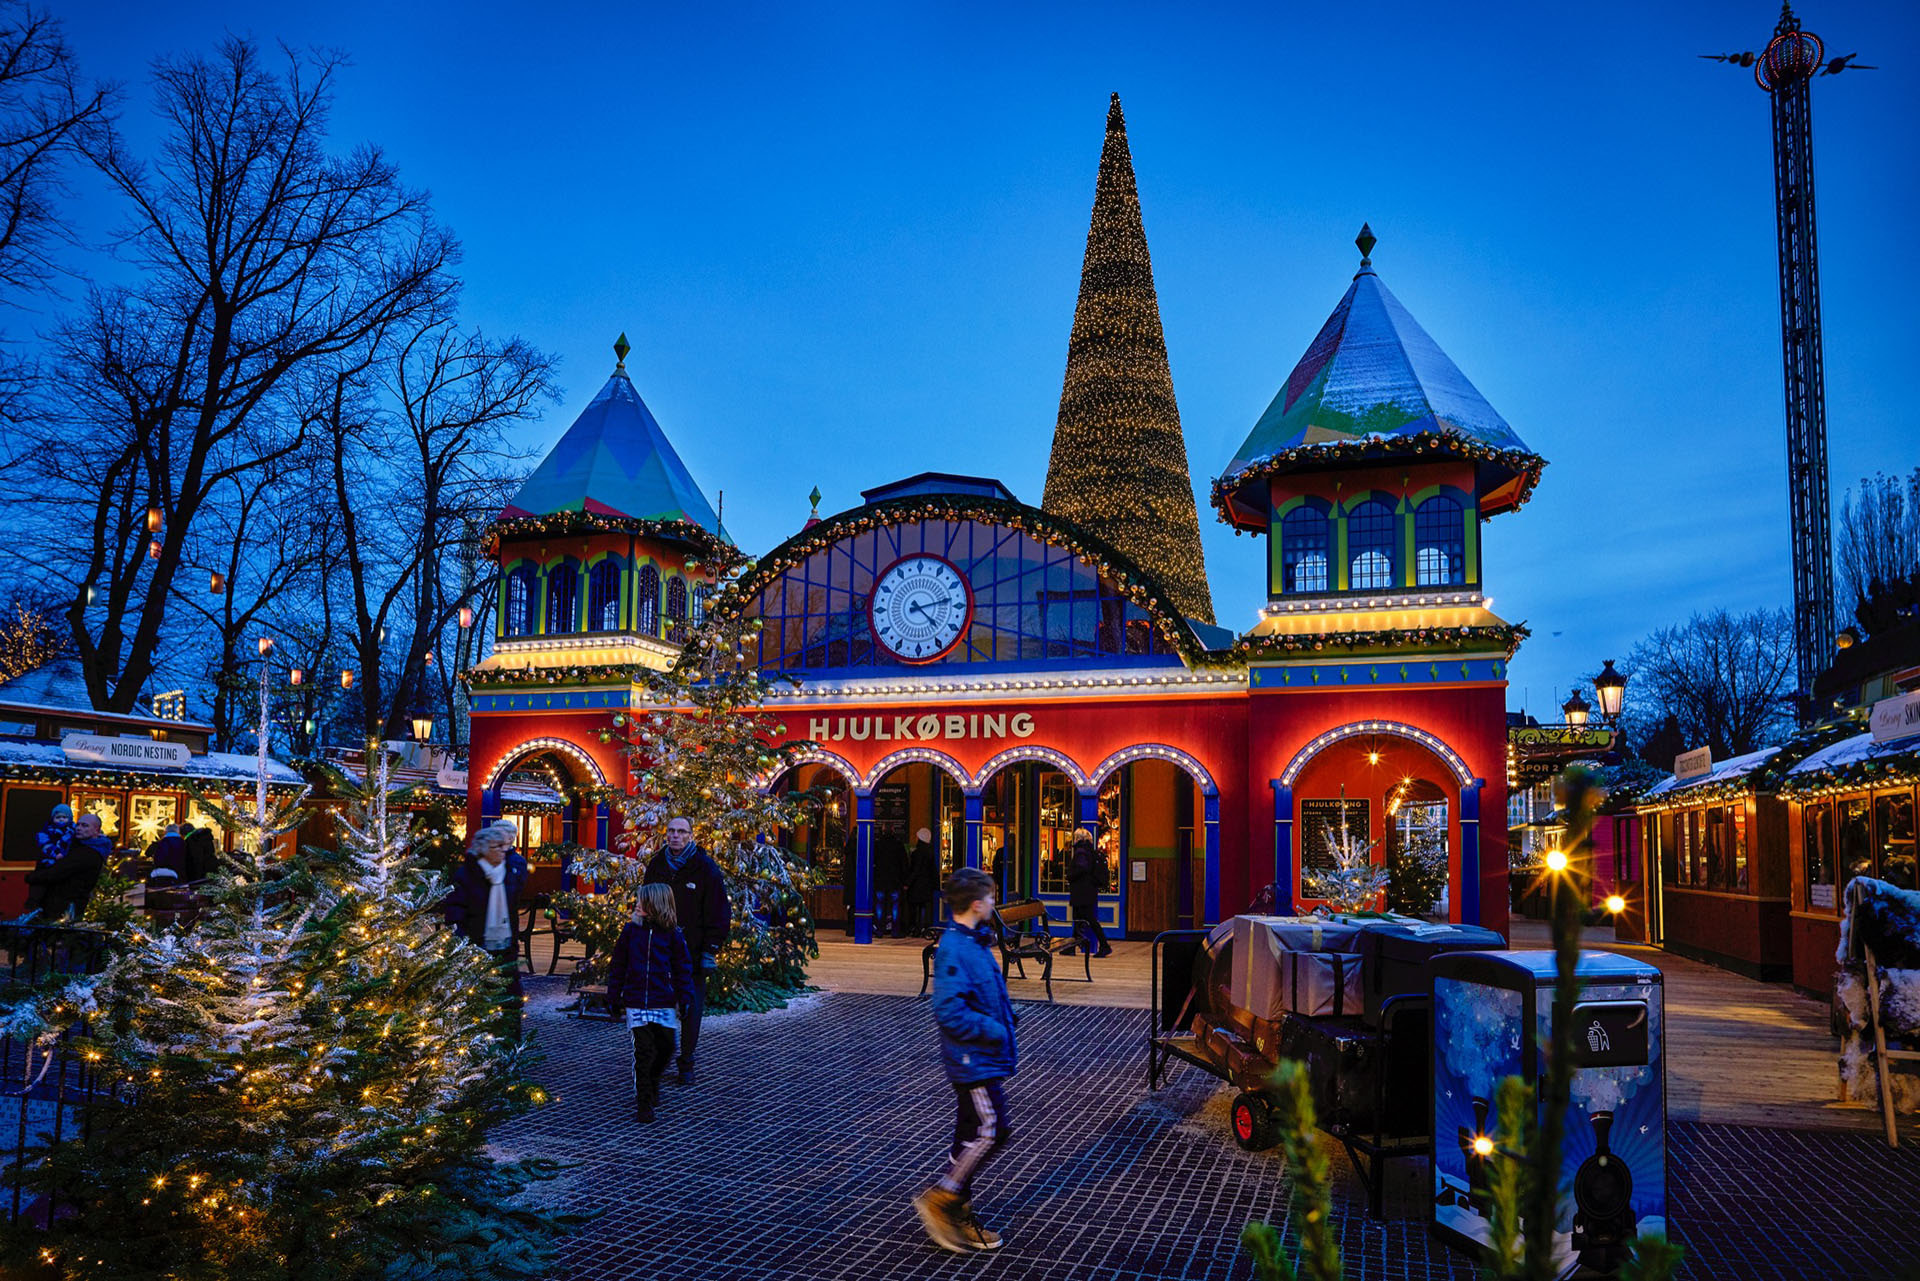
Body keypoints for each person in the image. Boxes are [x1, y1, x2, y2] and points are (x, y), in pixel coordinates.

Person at [914, 867, 1016, 1254]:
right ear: (977, 904)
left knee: (969, 1131)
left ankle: (957, 1208)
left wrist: (1004, 1020)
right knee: (992, 1129)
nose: (994, 903)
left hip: (979, 1055)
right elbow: (948, 1009)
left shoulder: (973, 941)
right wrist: (993, 1029)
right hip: (972, 1058)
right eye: (990, 897)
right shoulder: (957, 947)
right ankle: (944, 1197)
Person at [643, 816, 731, 1085]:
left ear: (691, 836)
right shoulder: (657, 865)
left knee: (691, 1009)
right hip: (660, 950)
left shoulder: (705, 868)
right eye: (671, 831)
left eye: (681, 832)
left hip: (692, 952)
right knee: (659, 1007)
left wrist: (710, 950)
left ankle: (687, 1061)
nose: (675, 836)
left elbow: (718, 912)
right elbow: (645, 903)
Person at [606, 883, 696, 1123]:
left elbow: (682, 969)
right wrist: (613, 995)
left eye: (641, 901)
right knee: (643, 1052)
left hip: (662, 1000)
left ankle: (653, 1080)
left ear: (655, 905)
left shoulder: (673, 935)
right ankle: (644, 1102)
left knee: (666, 1047)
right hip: (636, 1000)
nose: (636, 904)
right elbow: (618, 965)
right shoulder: (630, 932)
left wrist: (685, 997)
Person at [444, 823, 530, 1033]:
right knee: (478, 998)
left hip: (506, 945)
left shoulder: (509, 871)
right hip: (477, 946)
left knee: (511, 996)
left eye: (504, 847)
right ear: (483, 849)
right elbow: (455, 911)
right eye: (496, 847)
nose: (502, 851)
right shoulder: (467, 875)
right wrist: (461, 940)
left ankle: (510, 1042)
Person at [26, 811, 111, 921]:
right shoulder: (76, 846)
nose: (79, 828)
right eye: (78, 824)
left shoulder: (88, 853)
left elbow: (58, 872)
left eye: (85, 826)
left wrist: (31, 877)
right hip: (61, 903)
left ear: (96, 830)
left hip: (65, 907)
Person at [1062, 829, 1112, 958]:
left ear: (1078, 838)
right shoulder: (1090, 851)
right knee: (1080, 919)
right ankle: (1072, 946)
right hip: (1088, 890)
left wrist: (1070, 875)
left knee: (1088, 919)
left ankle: (1104, 945)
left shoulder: (1080, 851)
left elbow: (1081, 868)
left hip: (1081, 891)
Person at [21, 804, 75, 914]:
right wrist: (56, 853)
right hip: (47, 862)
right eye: (58, 817)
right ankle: (34, 906)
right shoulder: (46, 831)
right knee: (40, 885)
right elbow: (45, 844)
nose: (61, 820)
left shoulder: (72, 831)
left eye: (64, 817)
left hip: (63, 864)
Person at [904, 827, 940, 935]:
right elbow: (934, 871)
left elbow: (915, 870)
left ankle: (915, 928)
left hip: (916, 885)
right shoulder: (930, 853)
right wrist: (936, 885)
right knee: (924, 907)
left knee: (914, 908)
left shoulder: (916, 853)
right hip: (927, 885)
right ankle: (924, 927)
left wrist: (907, 883)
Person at [873, 828, 907, 938]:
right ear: (893, 831)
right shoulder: (898, 845)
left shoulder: (877, 845)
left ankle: (879, 930)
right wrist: (904, 880)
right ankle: (895, 931)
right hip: (894, 881)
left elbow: (873, 862)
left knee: (879, 905)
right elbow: (904, 864)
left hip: (880, 880)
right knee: (895, 906)